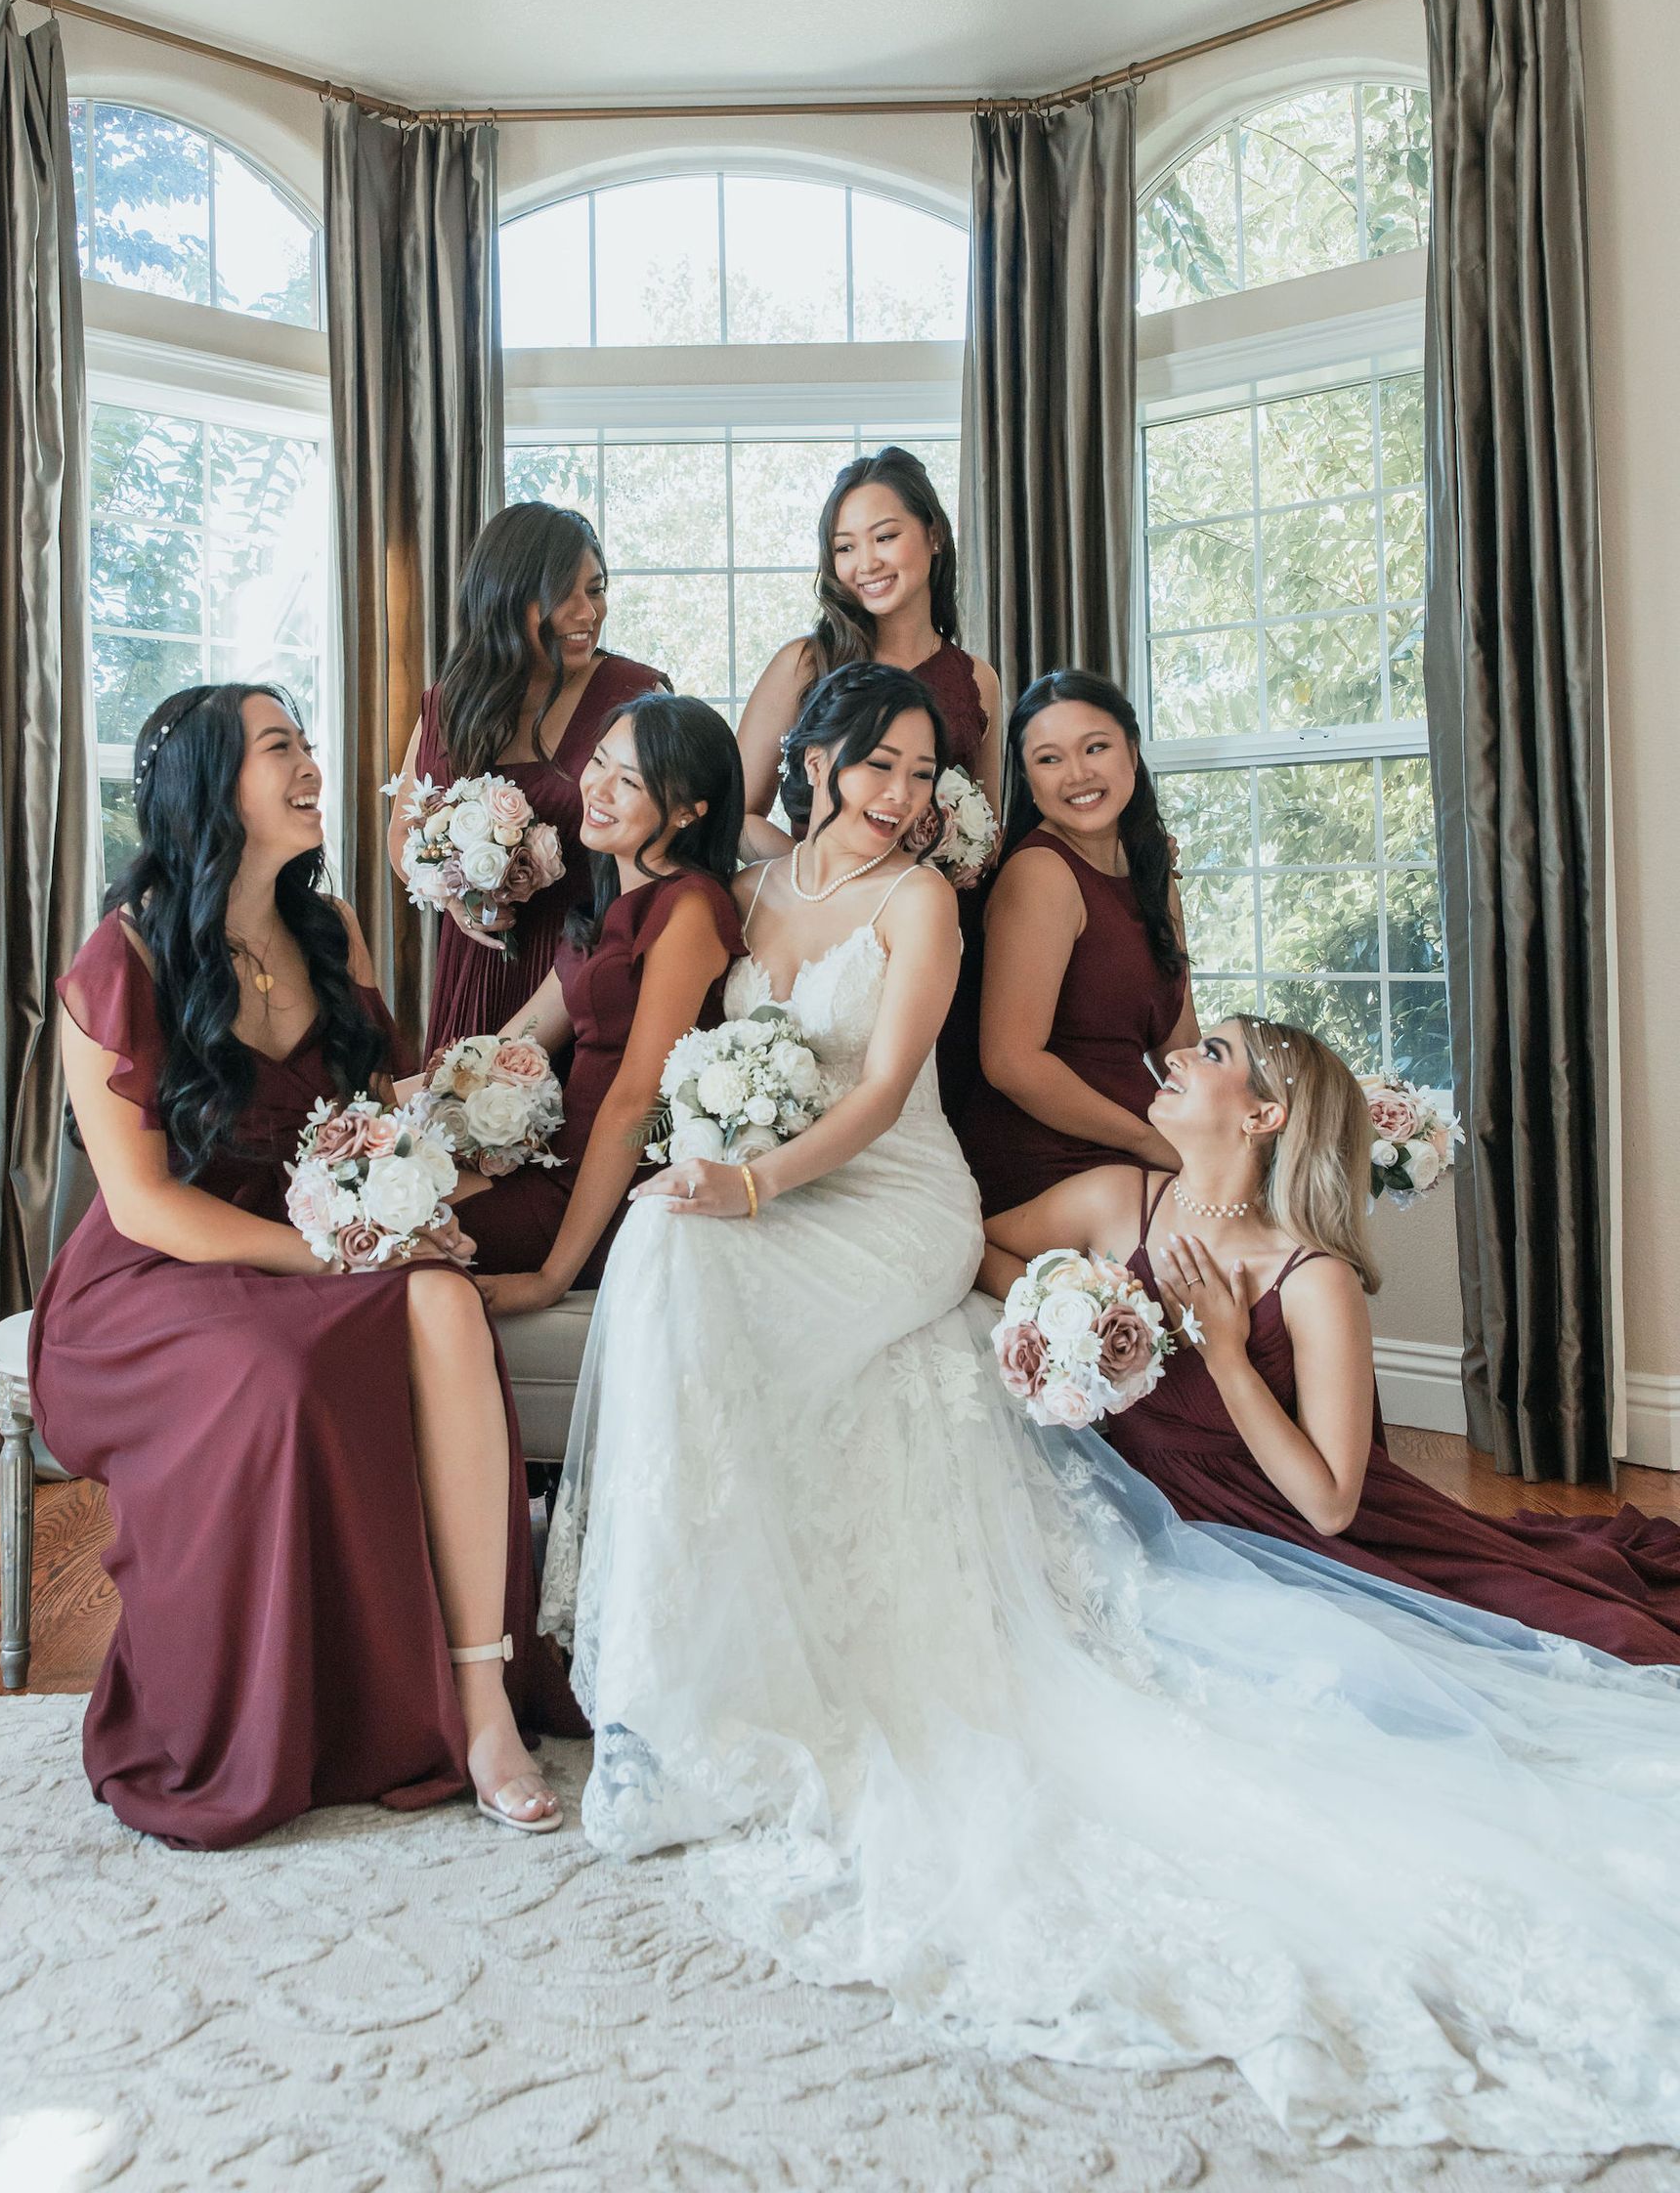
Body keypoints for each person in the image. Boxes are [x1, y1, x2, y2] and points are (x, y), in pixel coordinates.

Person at [542, 662, 1680, 2156]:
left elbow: (889, 1097)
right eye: (874, 763)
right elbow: (682, 902)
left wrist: (753, 1178)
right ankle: (665, 1682)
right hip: (787, 1197)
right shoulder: (747, 897)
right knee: (663, 1249)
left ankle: (699, 1695)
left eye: (920, 769)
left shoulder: (937, 899)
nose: (897, 793)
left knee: (685, 1247)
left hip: (888, 1196)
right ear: (815, 763)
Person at [29, 684, 579, 1850]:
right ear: (208, 784)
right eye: (280, 747)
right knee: (279, 1378)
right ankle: (282, 1710)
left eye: (307, 743)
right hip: (156, 1279)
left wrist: (421, 1212)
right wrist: (337, 1253)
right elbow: (143, 1205)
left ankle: (482, 1706)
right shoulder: (116, 958)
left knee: (445, 1305)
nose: (311, 765)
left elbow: (379, 1125)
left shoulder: (332, 932)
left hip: (318, 1243)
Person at [982, 1011, 1680, 1663]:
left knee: (1595, 1641)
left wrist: (1226, 1355)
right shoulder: (1114, 1199)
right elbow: (981, 1249)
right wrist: (1069, 1323)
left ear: (1263, 1115)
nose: (1178, 1053)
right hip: (1138, 1508)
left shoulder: (1313, 1280)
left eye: (1212, 1051)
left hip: (1292, 1534)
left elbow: (1329, 1507)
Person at [452, 693, 744, 1307]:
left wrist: (553, 1276)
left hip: (599, 1190)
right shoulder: (607, 905)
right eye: (599, 762)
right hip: (549, 1161)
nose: (600, 788)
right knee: (359, 1204)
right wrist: (369, 1111)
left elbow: (639, 1096)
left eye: (630, 781)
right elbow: (505, 1047)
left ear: (690, 811)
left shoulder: (688, 906)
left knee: (386, 1242)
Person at [734, 446, 1000, 1111]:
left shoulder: (978, 681)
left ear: (933, 534)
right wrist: (831, 873)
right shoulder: (804, 662)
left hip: (937, 944)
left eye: (885, 536)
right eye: (845, 547)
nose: (866, 563)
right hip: (820, 943)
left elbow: (993, 832)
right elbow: (734, 814)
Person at [390, 503, 665, 1047]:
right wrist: (453, 897)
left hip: (587, 968)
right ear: (505, 596)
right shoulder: (448, 706)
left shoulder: (635, 698)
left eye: (597, 589)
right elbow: (402, 833)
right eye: (565, 594)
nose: (587, 612)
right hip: (477, 968)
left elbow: (670, 850)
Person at [958, 670, 1195, 1217]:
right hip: (1046, 1162)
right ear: (1027, 776)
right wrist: (1150, 1144)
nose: (1078, 774)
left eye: (1096, 747)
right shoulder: (1041, 873)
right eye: (1049, 758)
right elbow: (1011, 1062)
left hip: (1136, 1147)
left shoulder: (1153, 869)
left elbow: (1179, 1045)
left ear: (1132, 752)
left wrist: (1226, 1133)